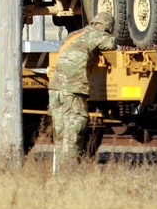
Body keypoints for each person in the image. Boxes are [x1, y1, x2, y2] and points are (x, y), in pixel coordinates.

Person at [47, 11, 117, 174]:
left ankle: (58, 172)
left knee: (61, 132)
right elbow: (111, 44)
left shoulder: (74, 34)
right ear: (106, 27)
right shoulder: (97, 34)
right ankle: (69, 173)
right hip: (72, 88)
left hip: (55, 88)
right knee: (75, 128)